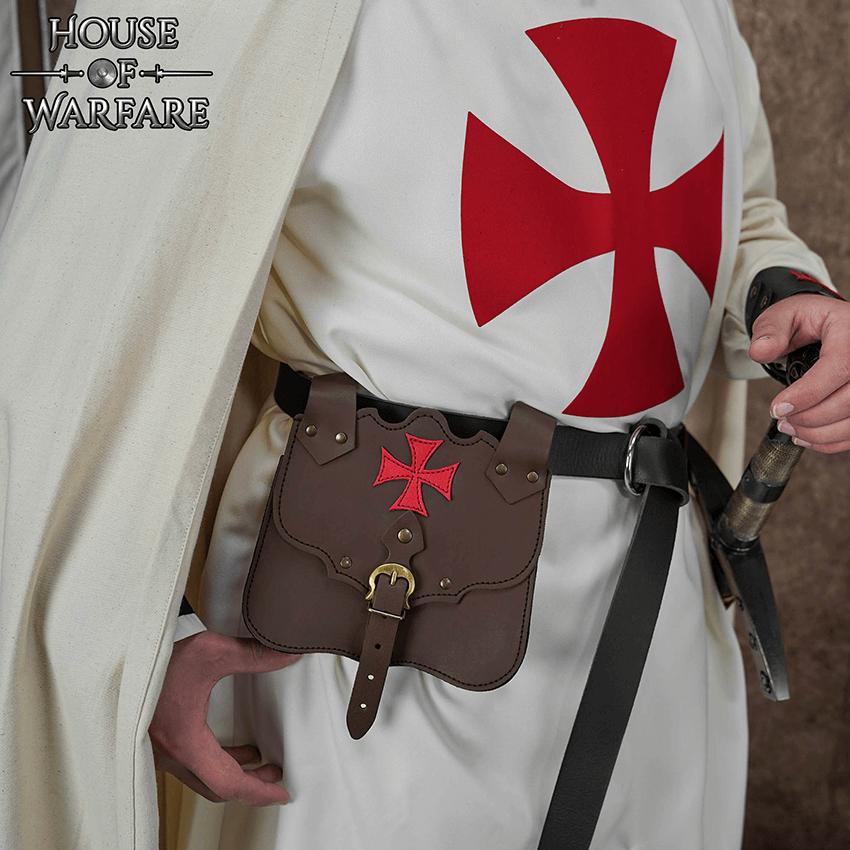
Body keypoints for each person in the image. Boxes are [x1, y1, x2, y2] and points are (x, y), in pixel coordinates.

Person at [1, 2, 848, 850]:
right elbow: (79, 272)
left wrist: (787, 295)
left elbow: (734, 212)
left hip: (654, 594)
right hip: (372, 598)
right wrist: (145, 637)